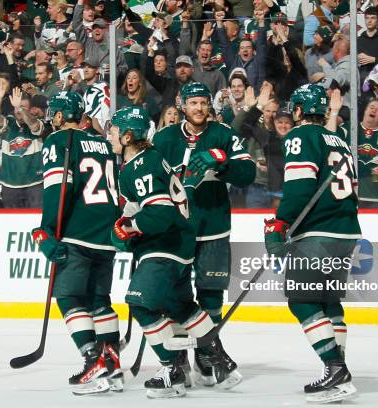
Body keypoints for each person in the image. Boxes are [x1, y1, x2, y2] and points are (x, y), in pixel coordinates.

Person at [107, 106, 237, 398]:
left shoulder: (141, 165)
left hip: (164, 247)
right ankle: (221, 360)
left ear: (128, 136)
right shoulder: (143, 162)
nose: (110, 134)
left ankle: (171, 370)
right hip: (177, 245)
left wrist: (130, 230)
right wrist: (128, 230)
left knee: (140, 303)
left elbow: (159, 214)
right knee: (183, 307)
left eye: (114, 130)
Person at [151, 82, 255, 388]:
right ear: (183, 105)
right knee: (176, 296)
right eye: (193, 103)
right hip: (176, 230)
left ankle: (206, 353)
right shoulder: (165, 138)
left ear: (210, 105)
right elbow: (149, 177)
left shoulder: (223, 134)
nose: (199, 108)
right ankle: (180, 358)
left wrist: (221, 162)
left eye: (203, 103)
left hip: (213, 227)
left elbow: (247, 174)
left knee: (211, 294)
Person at [264, 83, 360, 403]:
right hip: (345, 229)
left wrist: (281, 223)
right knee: (328, 301)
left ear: (300, 111)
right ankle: (339, 368)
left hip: (319, 231)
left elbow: (300, 188)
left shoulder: (299, 136)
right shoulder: (339, 139)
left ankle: (334, 368)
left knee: (302, 299)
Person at [31, 91, 122, 395]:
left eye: (53, 113)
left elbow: (58, 190)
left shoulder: (58, 141)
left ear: (58, 116)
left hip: (77, 232)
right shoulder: (104, 144)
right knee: (99, 300)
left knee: (69, 297)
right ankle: (113, 365)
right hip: (107, 233)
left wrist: (47, 231)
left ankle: (93, 360)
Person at [0, 81, 45, 208]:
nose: (19, 111)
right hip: (10, 185)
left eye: (24, 107)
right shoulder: (9, 123)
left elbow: (34, 126)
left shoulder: (38, 122)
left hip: (35, 185)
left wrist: (20, 108)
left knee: (36, 221)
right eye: (16, 107)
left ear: (31, 109)